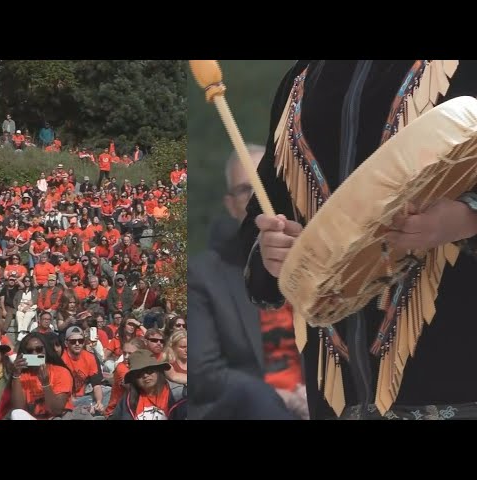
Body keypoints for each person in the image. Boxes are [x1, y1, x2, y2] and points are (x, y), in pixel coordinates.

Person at [240, 60, 477, 420]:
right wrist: (271, 252)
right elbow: (263, 216)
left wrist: (465, 218)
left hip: (456, 379)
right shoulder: (299, 83)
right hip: (336, 396)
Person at [188, 145, 298, 420]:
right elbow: (203, 373)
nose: (257, 197)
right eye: (246, 190)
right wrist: (277, 397)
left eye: (266, 184)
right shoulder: (203, 275)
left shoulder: (316, 258)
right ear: (231, 204)